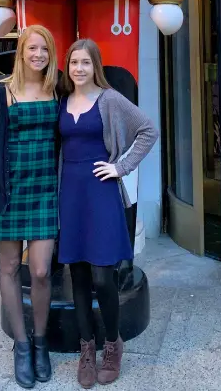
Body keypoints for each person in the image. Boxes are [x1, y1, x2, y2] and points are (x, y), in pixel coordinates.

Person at [58, 39, 158, 388]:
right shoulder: (62, 99)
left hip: (100, 194)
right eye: (73, 63)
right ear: (67, 67)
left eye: (85, 62)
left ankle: (112, 344)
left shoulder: (110, 99)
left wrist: (121, 167)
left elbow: (148, 130)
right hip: (68, 196)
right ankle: (87, 349)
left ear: (95, 65)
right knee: (79, 278)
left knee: (103, 277)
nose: (79, 69)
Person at [0, 25, 59, 389]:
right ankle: (22, 346)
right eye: (32, 48)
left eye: (44, 49)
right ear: (21, 52)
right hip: (9, 193)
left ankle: (41, 342)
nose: (38, 54)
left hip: (46, 192)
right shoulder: (0, 93)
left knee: (40, 271)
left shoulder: (58, 90)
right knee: (10, 267)